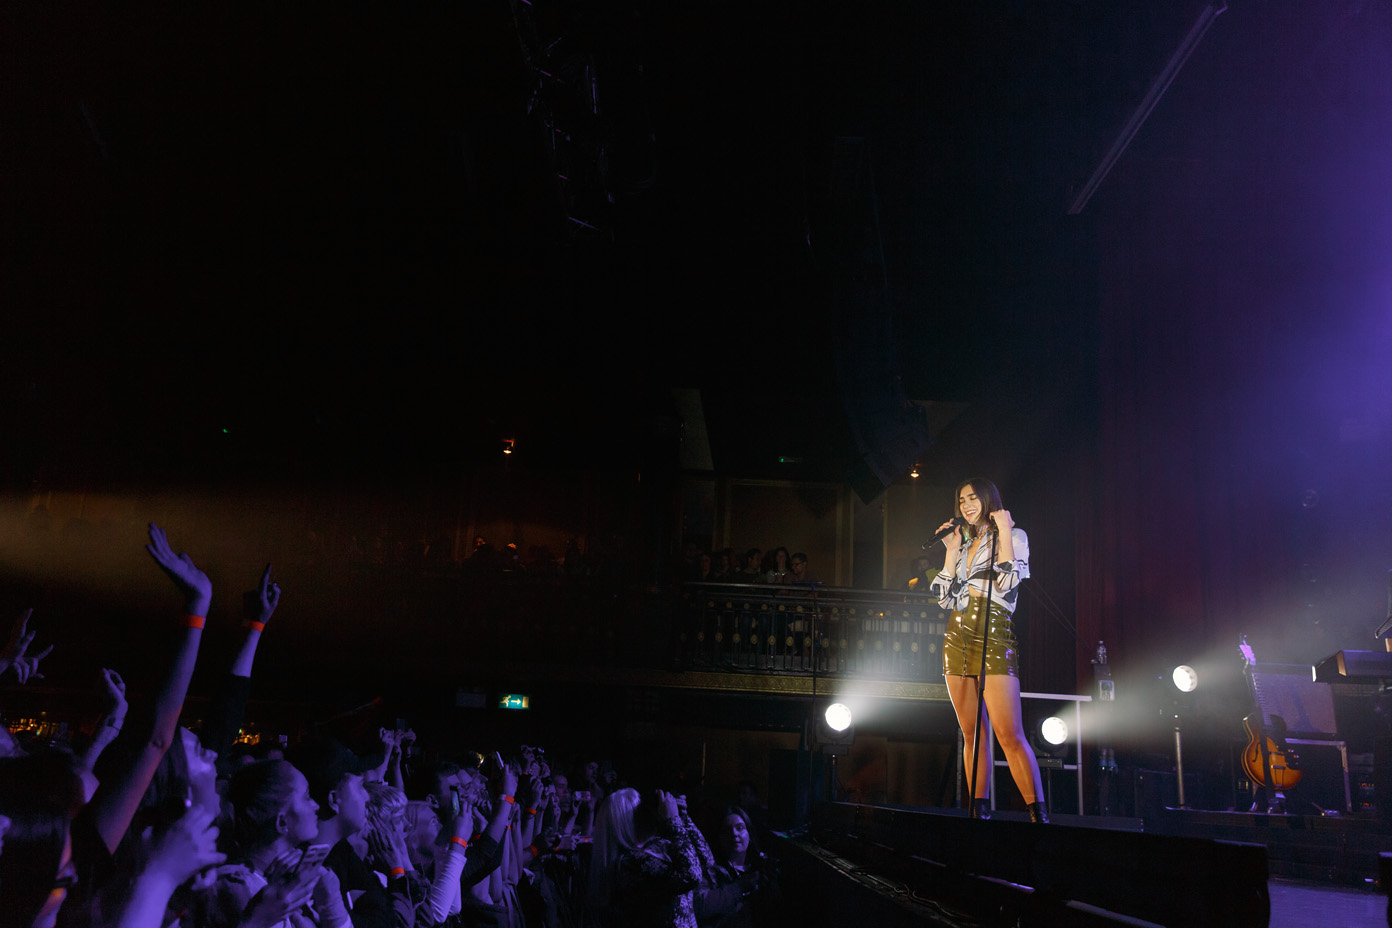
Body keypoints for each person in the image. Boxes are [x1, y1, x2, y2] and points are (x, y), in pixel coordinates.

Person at [930, 479, 1048, 823]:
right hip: (957, 633)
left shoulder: (1014, 536)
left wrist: (1005, 532)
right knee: (971, 732)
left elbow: (1009, 582)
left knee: (1009, 733)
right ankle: (977, 812)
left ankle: (1038, 814)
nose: (966, 505)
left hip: (994, 631)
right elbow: (944, 599)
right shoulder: (963, 543)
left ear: (988, 499)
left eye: (973, 498)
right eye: (961, 500)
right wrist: (951, 551)